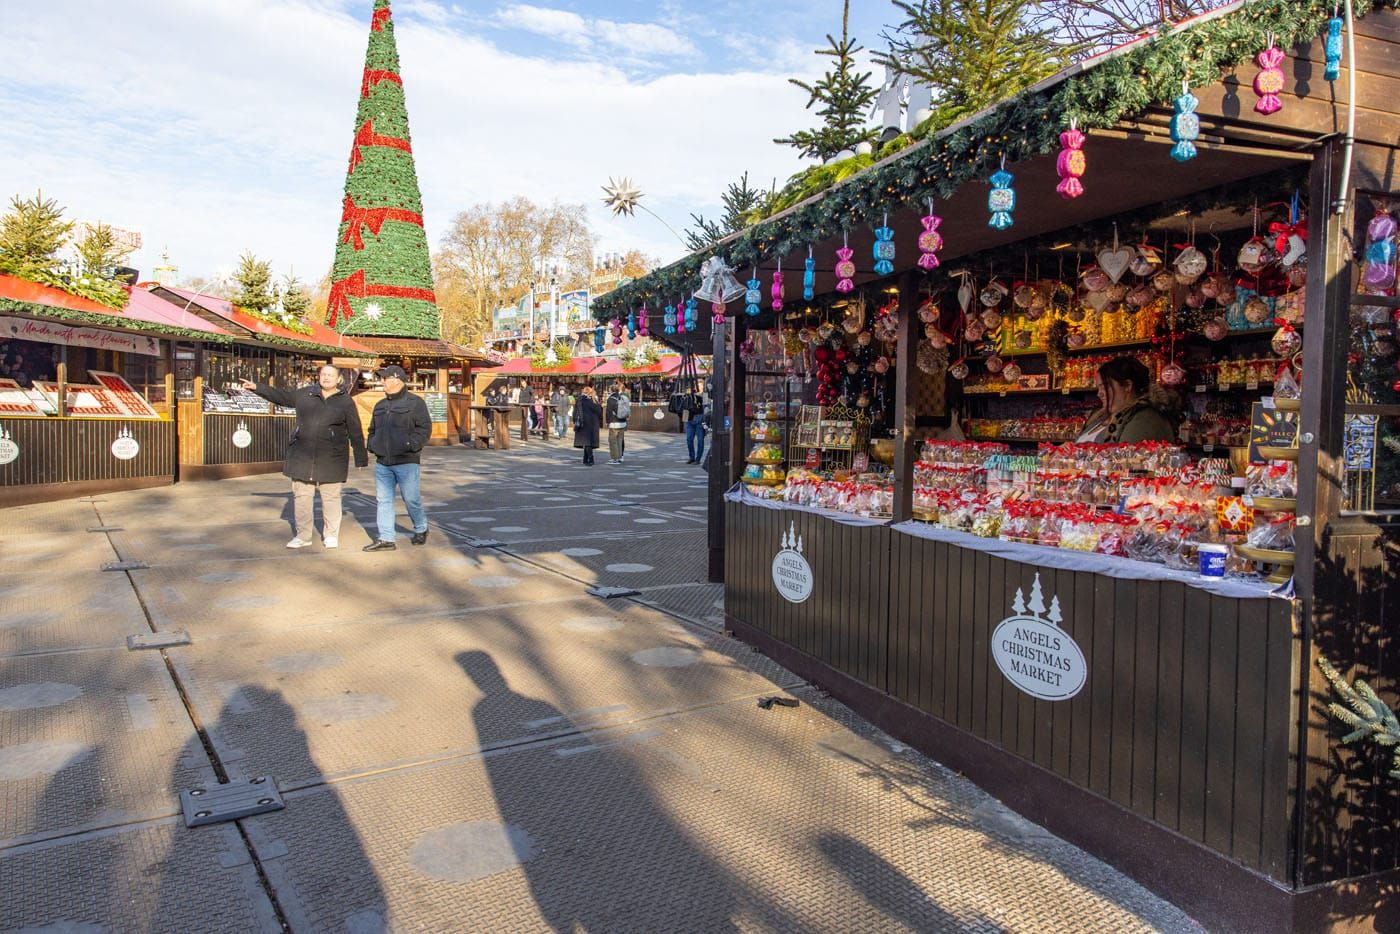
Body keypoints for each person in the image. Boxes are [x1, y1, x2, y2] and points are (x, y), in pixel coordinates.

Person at [239, 365, 367, 549]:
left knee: (331, 498)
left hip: (332, 457)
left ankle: (331, 535)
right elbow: (282, 396)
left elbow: (354, 429)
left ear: (339, 379)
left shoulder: (345, 401)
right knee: (302, 497)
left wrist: (360, 456)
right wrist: (258, 388)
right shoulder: (305, 394)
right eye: (323, 374)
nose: (326, 378)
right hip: (302, 454)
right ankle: (303, 535)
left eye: (330, 375)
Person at [363, 365, 432, 552]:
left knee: (411, 499)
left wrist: (411, 445)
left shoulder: (415, 403)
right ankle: (386, 538)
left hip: (406, 461)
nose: (382, 382)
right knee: (384, 500)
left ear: (397, 380)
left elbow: (425, 429)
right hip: (383, 462)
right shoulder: (380, 405)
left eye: (385, 378)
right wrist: (372, 444)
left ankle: (421, 527)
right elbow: (372, 429)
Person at [1088, 356, 1177, 443]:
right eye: (1098, 388)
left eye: (1104, 387)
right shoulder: (1100, 416)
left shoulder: (1145, 419)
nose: (1099, 394)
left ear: (1127, 385)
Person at [573, 385, 603, 466]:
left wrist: (575, 421)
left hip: (582, 423)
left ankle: (585, 458)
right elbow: (599, 412)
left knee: (586, 442)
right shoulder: (593, 401)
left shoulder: (579, 400)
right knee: (588, 443)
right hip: (592, 424)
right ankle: (590, 458)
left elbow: (575, 412)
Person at [605, 381, 630, 465]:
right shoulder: (622, 397)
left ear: (611, 390)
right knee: (619, 440)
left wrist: (607, 422)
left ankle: (614, 458)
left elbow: (608, 412)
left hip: (614, 422)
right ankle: (620, 457)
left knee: (613, 441)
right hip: (622, 422)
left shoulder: (610, 399)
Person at [681, 382, 706, 464]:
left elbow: (706, 407)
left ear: (702, 387)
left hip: (699, 420)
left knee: (700, 440)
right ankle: (691, 457)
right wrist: (684, 419)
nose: (697, 387)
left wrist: (705, 420)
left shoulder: (704, 395)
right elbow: (685, 406)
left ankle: (698, 459)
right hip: (690, 420)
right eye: (697, 385)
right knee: (689, 439)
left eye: (699, 385)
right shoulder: (690, 394)